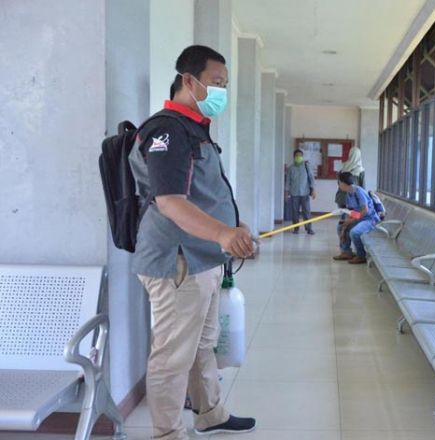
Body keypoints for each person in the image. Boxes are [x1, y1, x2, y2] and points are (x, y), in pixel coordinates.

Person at [128, 45, 256, 439]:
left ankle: (210, 413)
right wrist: (222, 232)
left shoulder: (194, 128)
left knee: (204, 344)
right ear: (189, 80)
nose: (222, 91)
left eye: (225, 85)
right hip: (177, 261)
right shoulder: (167, 130)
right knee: (172, 355)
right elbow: (169, 202)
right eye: (216, 83)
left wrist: (234, 227)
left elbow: (204, 191)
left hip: (203, 258)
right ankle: (167, 433)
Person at [333, 172, 380, 264]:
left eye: (339, 182)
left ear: (343, 183)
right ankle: (346, 252)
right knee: (340, 226)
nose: (339, 185)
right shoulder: (348, 194)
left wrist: (352, 220)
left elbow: (365, 210)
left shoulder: (358, 191)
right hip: (360, 218)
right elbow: (352, 211)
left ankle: (361, 255)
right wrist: (345, 226)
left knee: (354, 232)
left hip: (370, 219)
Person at [285, 149, 316, 234]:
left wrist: (313, 190)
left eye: (300, 156)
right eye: (297, 156)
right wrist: (286, 193)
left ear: (302, 157)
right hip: (294, 193)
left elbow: (311, 178)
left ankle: (309, 228)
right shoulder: (291, 168)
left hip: (305, 193)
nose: (298, 157)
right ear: (294, 157)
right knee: (295, 212)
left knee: (306, 211)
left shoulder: (306, 166)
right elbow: (288, 182)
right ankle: (296, 228)